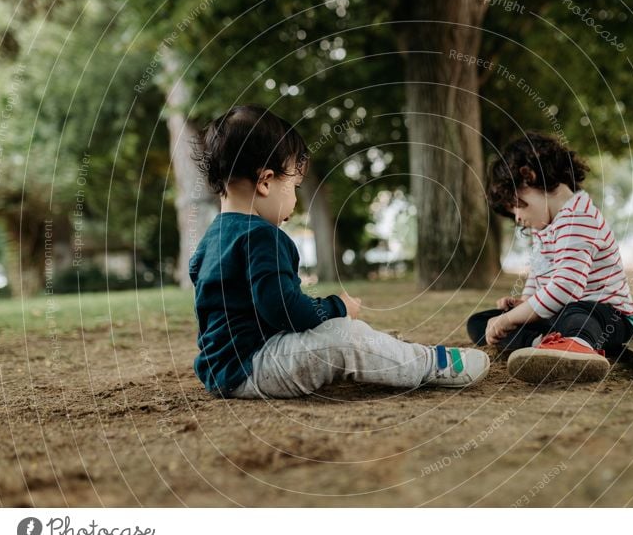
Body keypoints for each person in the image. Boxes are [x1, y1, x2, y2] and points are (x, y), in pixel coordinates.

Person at [189, 104, 490, 399]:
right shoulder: (262, 236)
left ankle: (386, 351)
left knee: (339, 331)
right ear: (266, 182)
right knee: (345, 338)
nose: (295, 199)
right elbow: (283, 308)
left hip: (220, 371)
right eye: (294, 185)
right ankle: (430, 364)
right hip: (254, 366)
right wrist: (338, 307)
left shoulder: (212, 239)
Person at [467, 132, 633, 384]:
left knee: (577, 311)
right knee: (480, 323)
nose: (516, 217)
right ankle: (545, 345)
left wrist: (511, 318)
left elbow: (567, 289)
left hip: (608, 317)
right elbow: (538, 274)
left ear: (529, 176)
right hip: (559, 315)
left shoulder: (578, 218)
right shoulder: (544, 227)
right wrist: (522, 304)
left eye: (515, 205)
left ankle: (577, 346)